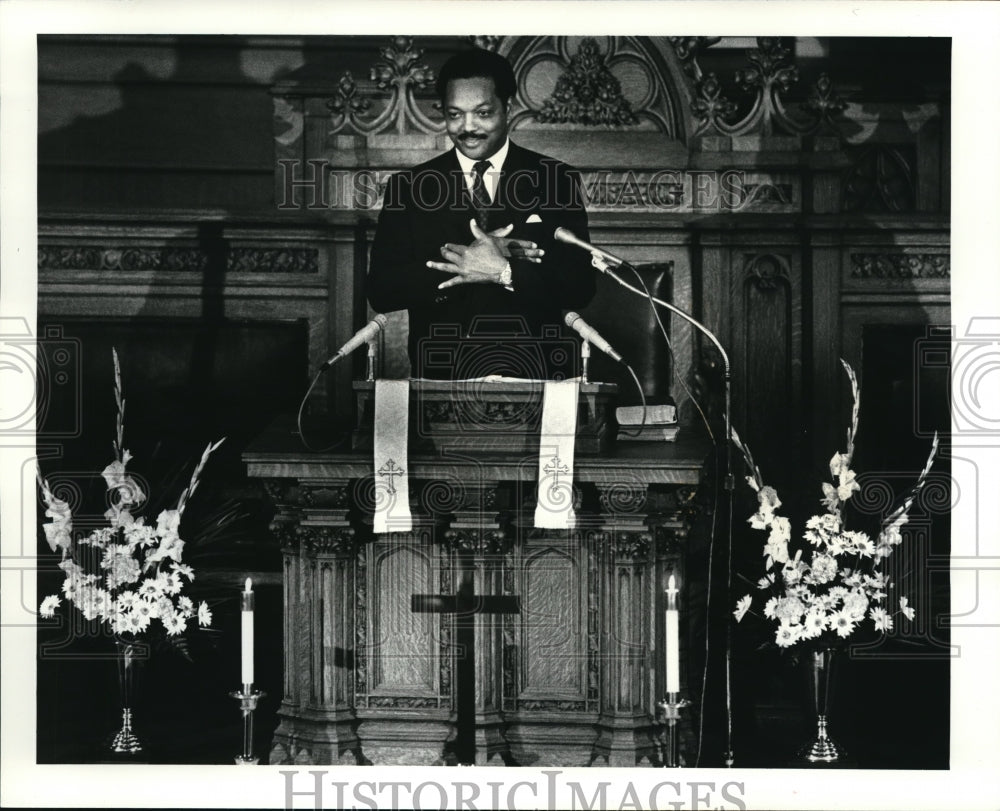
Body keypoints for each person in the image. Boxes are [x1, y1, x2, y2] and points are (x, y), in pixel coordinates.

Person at [365, 48, 596, 380]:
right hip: (443, 375)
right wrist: (466, 262)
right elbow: (382, 291)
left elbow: (580, 287)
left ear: (508, 108)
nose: (467, 127)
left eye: (483, 113)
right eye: (455, 115)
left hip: (539, 373)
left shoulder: (556, 179)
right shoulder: (408, 187)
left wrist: (504, 270)